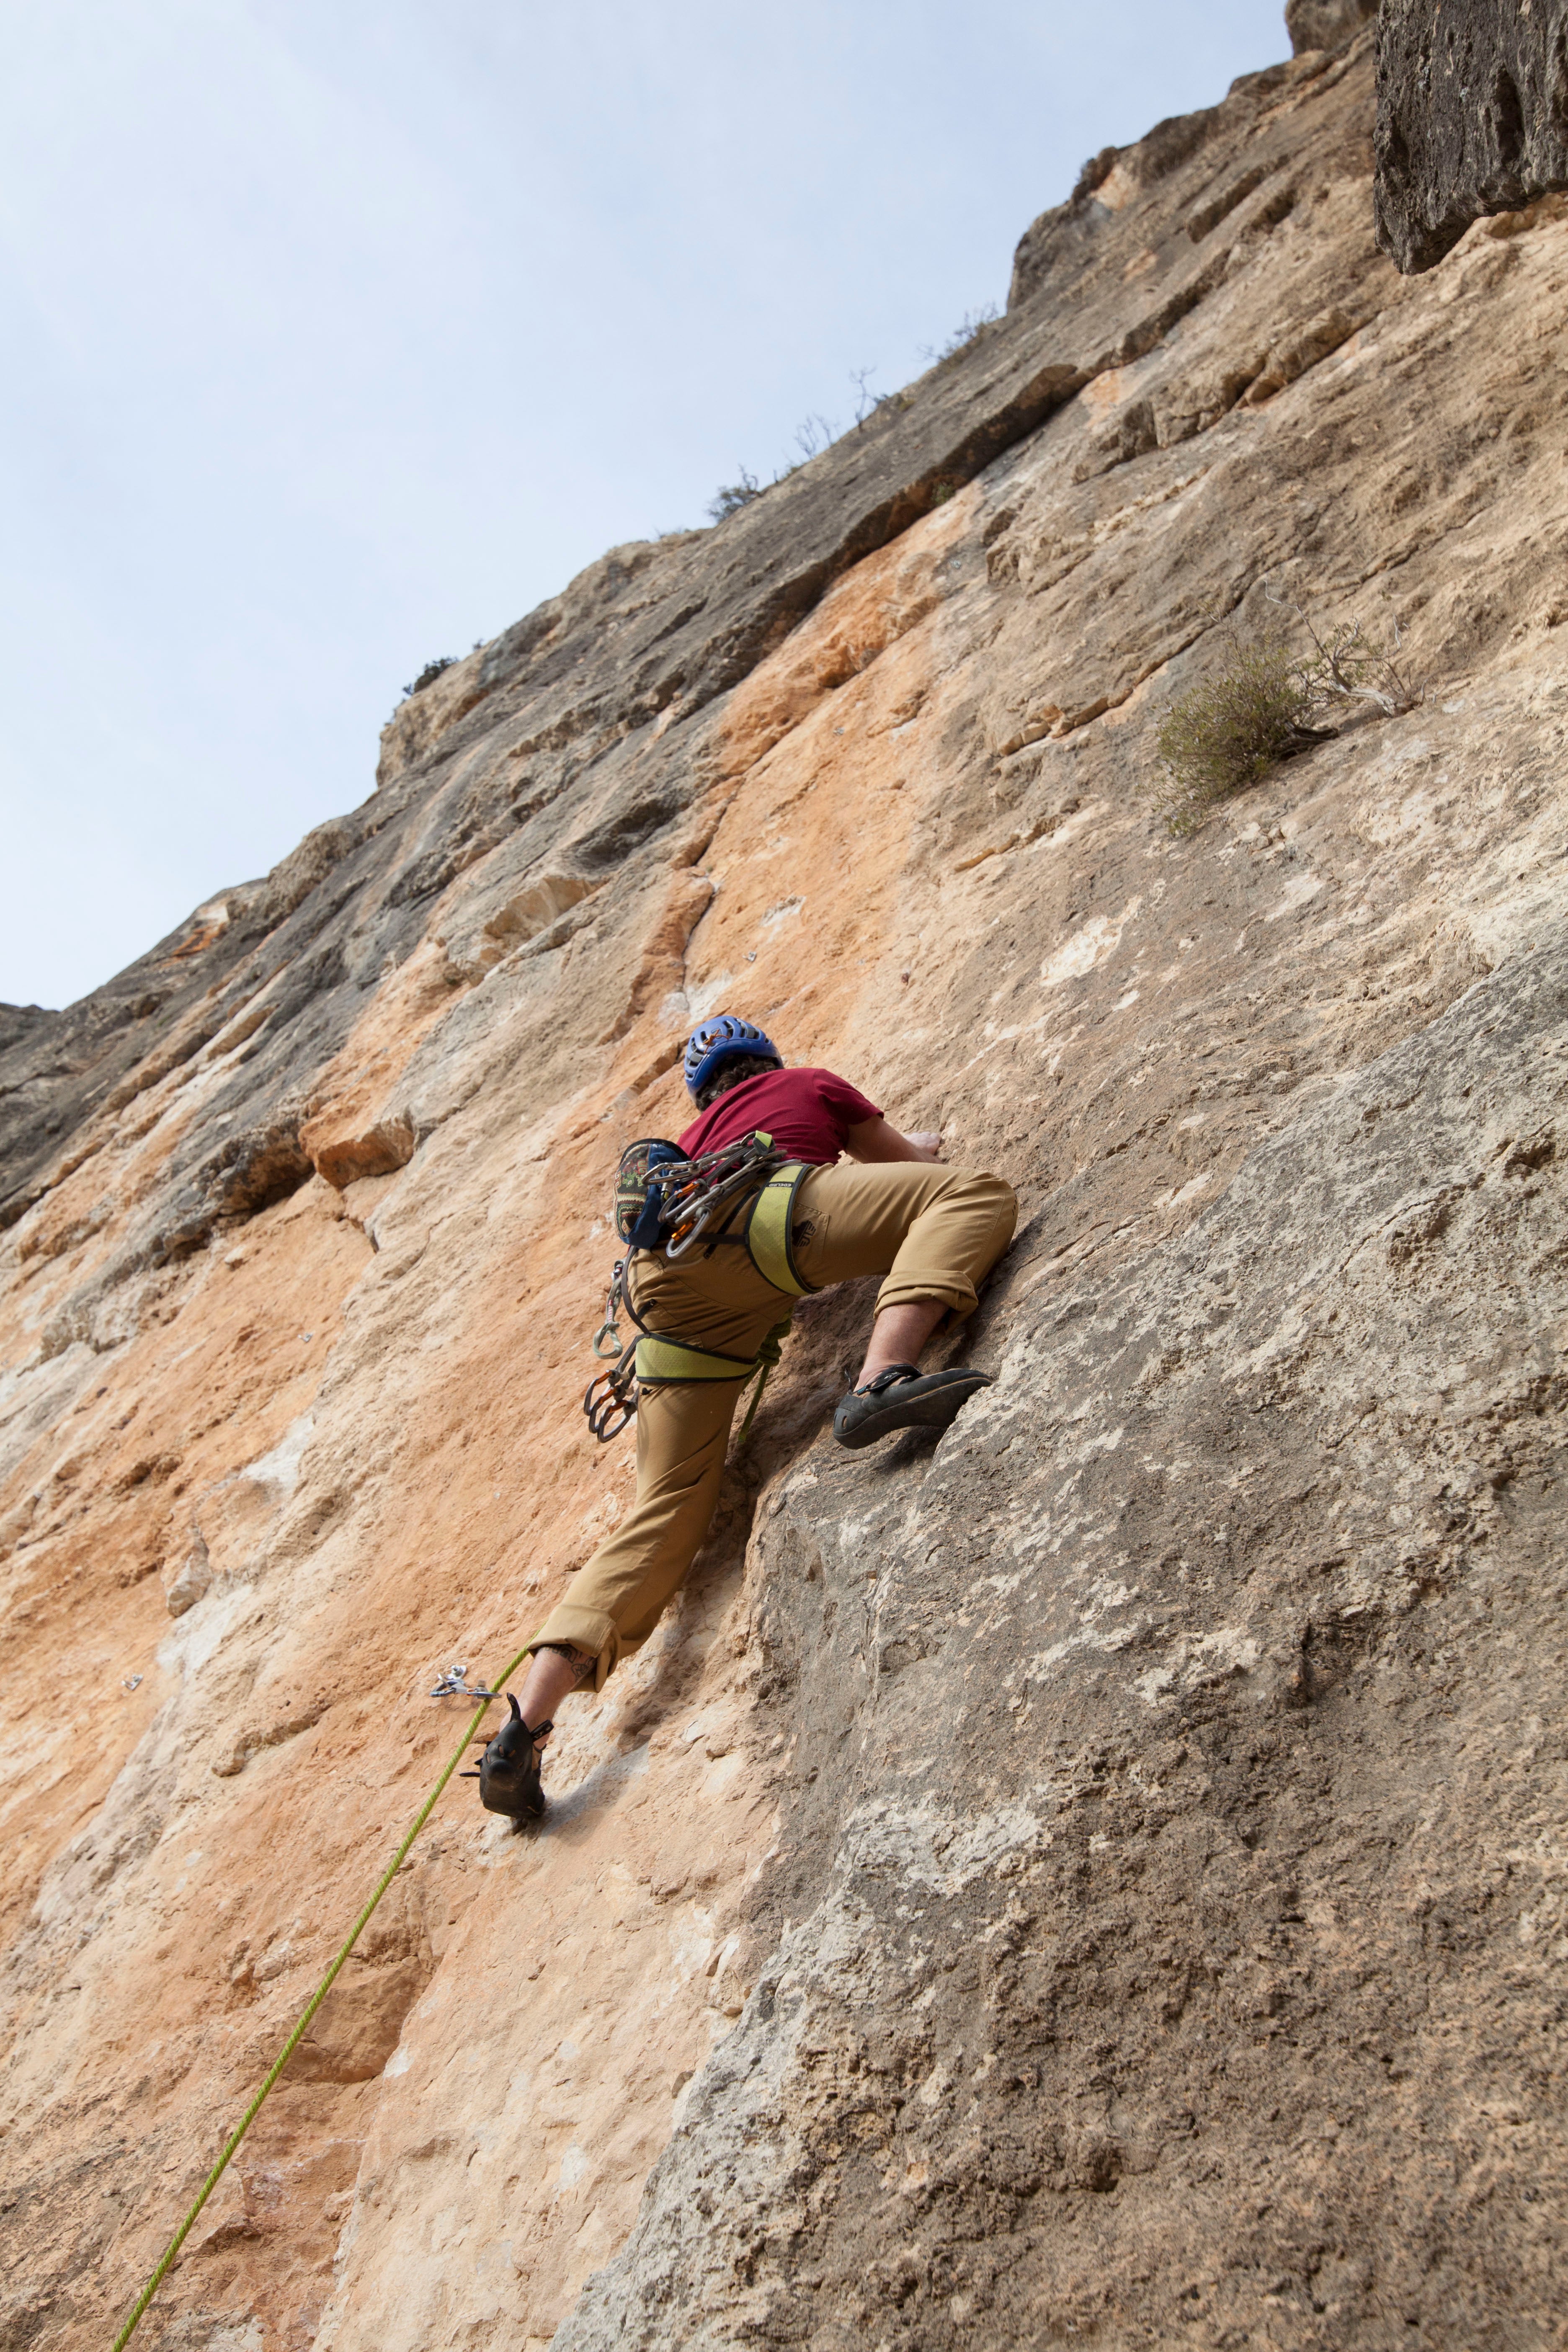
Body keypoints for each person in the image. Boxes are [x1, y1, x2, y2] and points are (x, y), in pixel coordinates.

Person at [477, 1014, 1016, 1819]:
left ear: (705, 1095)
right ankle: (880, 1378)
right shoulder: (807, 1085)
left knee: (665, 1509)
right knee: (973, 1194)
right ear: (766, 1061)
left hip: (671, 1299)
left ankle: (527, 1724)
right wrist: (921, 1147)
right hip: (766, 1223)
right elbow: (907, 1167)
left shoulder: (689, 1148)